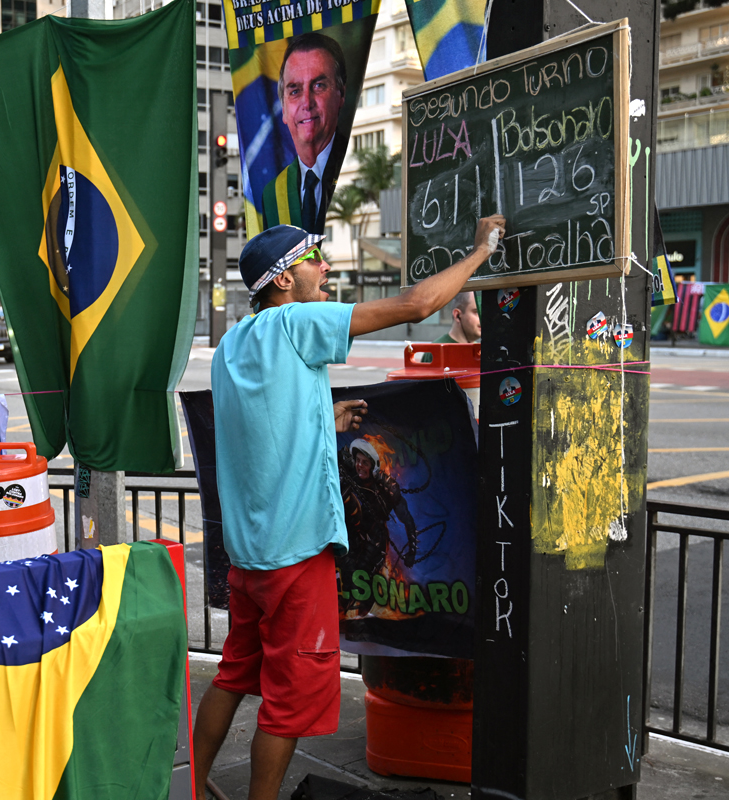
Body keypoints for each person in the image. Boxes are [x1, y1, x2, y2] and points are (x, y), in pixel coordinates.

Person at [192, 213, 504, 800]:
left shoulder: (235, 341)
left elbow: (261, 429)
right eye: (314, 259)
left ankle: (196, 786)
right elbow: (415, 305)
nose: (326, 267)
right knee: (286, 706)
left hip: (248, 559)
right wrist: (479, 251)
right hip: (295, 557)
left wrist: (323, 420)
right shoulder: (296, 322)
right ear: (285, 279)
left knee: (234, 674)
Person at [260, 33, 351, 235]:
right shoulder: (273, 194)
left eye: (319, 86)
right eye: (294, 90)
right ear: (283, 109)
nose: (307, 103)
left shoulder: (354, 169)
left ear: (341, 95)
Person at [338, 438, 418, 615]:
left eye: (365, 463)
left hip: (374, 540)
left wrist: (412, 550)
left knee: (365, 587)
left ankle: (363, 620)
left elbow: (407, 519)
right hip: (350, 537)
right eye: (358, 461)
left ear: (373, 465)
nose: (360, 466)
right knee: (345, 580)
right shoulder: (347, 477)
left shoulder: (386, 488)